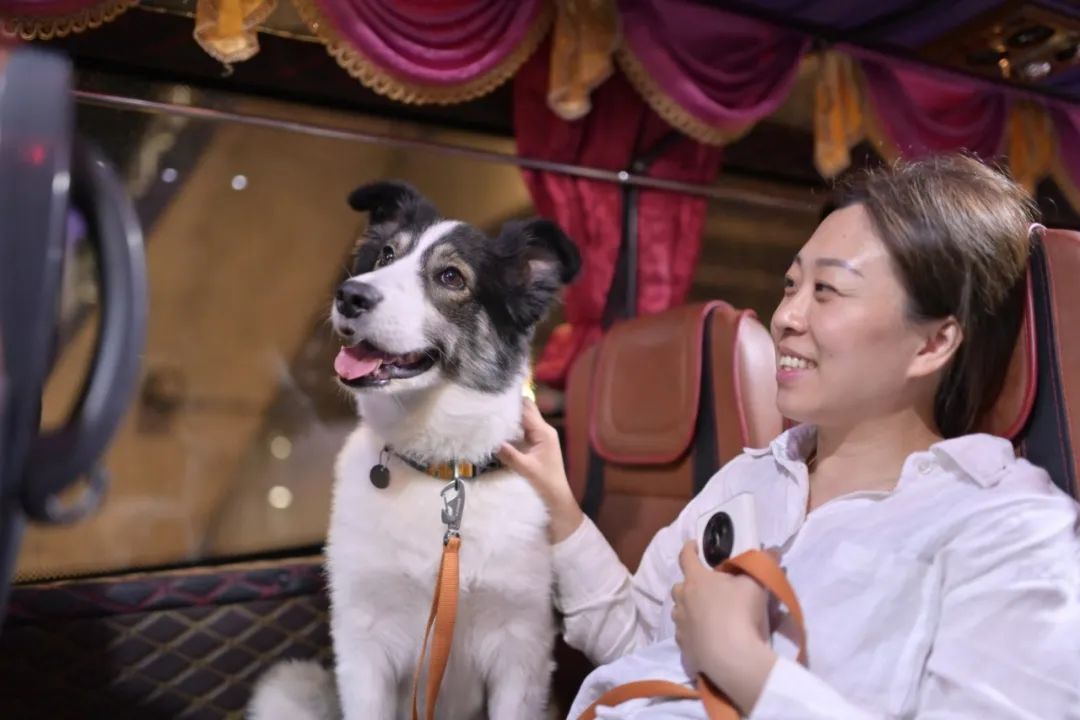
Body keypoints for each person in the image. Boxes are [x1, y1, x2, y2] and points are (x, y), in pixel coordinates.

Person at [497, 154, 1080, 719]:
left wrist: (747, 668)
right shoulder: (754, 476)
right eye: (791, 284)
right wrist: (557, 504)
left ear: (932, 343)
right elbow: (643, 644)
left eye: (827, 290)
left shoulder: (1008, 528)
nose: (785, 318)